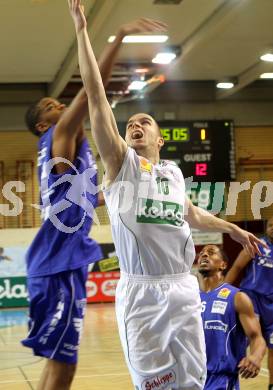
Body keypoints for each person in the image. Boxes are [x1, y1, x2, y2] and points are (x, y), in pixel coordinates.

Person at [68, 1, 267, 388]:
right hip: (143, 292)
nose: (135, 125)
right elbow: (94, 94)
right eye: (130, 123)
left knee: (194, 381)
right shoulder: (121, 165)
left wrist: (236, 229)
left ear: (160, 138)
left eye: (145, 121)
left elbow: (190, 213)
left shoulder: (172, 172)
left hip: (182, 287)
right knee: (155, 384)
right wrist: (82, 30)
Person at [21, 17, 159, 390]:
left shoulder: (70, 154)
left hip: (61, 258)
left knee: (62, 363)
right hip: (57, 260)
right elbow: (92, 88)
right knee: (63, 365)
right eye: (51, 105)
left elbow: (85, 200)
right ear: (42, 125)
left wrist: (116, 189)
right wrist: (120, 37)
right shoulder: (59, 134)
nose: (59, 104)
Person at [198, 244, 266, 390]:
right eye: (202, 253)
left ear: (223, 265)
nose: (204, 255)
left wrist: (256, 357)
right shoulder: (191, 299)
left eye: (211, 253)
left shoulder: (237, 297)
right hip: (191, 379)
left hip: (220, 381)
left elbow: (257, 338)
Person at [226, 216, 273, 390]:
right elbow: (236, 268)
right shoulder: (256, 244)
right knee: (241, 340)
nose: (272, 228)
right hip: (251, 299)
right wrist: (222, 293)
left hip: (272, 305)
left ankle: (271, 385)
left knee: (272, 347)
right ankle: (226, 375)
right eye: (270, 224)